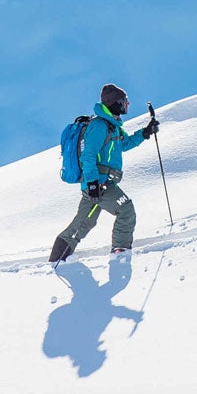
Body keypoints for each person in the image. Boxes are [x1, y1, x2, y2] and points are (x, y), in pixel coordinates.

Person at [49, 84, 158, 262]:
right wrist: (93, 184)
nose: (128, 104)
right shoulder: (99, 126)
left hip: (98, 183)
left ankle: (58, 257)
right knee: (126, 209)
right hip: (99, 183)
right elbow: (88, 155)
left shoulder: (113, 126)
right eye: (124, 101)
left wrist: (145, 133)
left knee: (84, 222)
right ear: (116, 103)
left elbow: (124, 144)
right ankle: (121, 252)